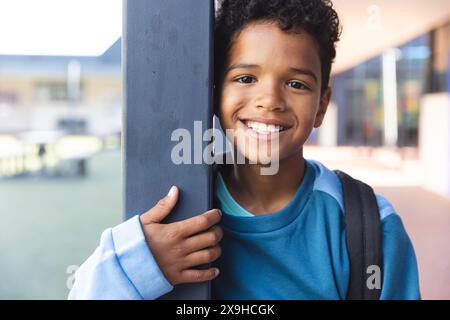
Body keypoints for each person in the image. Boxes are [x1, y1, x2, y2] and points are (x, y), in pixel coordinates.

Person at [69, 0, 420, 300]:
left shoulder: (370, 224)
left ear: (322, 105)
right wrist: (140, 266)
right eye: (245, 78)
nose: (269, 100)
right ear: (214, 93)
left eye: (296, 84)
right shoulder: (174, 213)